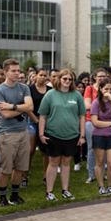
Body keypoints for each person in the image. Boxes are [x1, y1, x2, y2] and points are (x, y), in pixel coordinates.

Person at [39, 70, 86, 201]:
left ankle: (65, 190)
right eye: (64, 78)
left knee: (66, 162)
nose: (67, 81)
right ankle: (49, 192)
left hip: (71, 134)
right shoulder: (50, 95)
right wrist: (41, 134)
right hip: (53, 134)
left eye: (70, 79)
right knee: (53, 162)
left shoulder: (77, 95)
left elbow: (82, 116)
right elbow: (43, 116)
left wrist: (82, 136)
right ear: (59, 79)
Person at [0, 60, 34, 207]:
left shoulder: (24, 87)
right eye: (13, 71)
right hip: (7, 134)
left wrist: (12, 106)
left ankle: (15, 195)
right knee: (5, 168)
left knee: (20, 166)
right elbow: (5, 115)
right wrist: (22, 108)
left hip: (23, 132)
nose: (17, 73)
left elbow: (30, 106)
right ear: (5, 72)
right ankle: (2, 197)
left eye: (18, 71)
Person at [90, 78, 111, 194]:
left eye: (110, 89)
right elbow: (95, 122)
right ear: (101, 89)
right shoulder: (96, 102)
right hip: (99, 135)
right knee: (99, 161)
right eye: (106, 89)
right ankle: (101, 186)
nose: (108, 91)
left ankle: (110, 185)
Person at [27, 69, 52, 185]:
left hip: (47, 120)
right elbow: (28, 108)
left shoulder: (50, 90)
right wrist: (37, 121)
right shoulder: (29, 89)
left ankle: (46, 177)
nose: (42, 77)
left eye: (44, 76)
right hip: (32, 119)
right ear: (35, 76)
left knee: (46, 151)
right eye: (40, 75)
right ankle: (25, 176)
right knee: (30, 150)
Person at [83, 69, 109, 179]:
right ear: (94, 77)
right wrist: (102, 107)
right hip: (90, 121)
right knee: (91, 148)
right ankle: (91, 173)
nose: (102, 78)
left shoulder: (107, 89)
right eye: (100, 76)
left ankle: (102, 173)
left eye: (104, 76)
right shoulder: (89, 89)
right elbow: (87, 105)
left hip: (104, 122)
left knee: (104, 148)